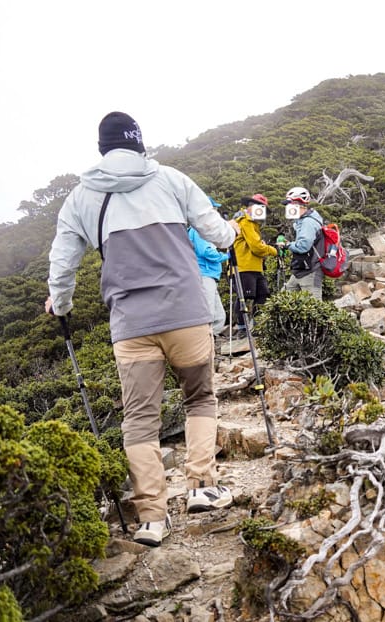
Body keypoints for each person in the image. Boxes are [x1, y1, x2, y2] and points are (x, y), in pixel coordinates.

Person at [45, 111, 241, 547]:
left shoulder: (80, 198)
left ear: (102, 148)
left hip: (131, 325)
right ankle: (202, 486)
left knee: (138, 419)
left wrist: (61, 303)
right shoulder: (171, 179)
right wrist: (231, 232)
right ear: (139, 144)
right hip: (186, 313)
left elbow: (63, 263)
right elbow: (217, 233)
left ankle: (152, 518)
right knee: (200, 397)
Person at [230, 194, 278, 335]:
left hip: (254, 266)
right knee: (244, 297)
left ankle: (257, 327)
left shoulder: (252, 223)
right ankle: (242, 328)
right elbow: (256, 247)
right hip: (243, 266)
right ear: (250, 207)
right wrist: (273, 250)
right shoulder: (246, 221)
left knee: (262, 295)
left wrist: (263, 248)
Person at [188, 197, 229, 339]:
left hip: (209, 275)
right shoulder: (199, 231)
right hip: (204, 274)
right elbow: (206, 252)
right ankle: (204, 341)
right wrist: (225, 256)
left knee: (219, 316)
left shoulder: (203, 230)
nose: (216, 212)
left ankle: (211, 340)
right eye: (214, 209)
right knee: (208, 312)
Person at [278, 186, 324, 300]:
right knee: (284, 298)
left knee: (313, 305)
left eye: (289, 204)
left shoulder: (308, 222)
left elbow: (303, 246)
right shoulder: (303, 221)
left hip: (310, 270)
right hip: (301, 269)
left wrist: (287, 245)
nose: (287, 208)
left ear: (297, 204)